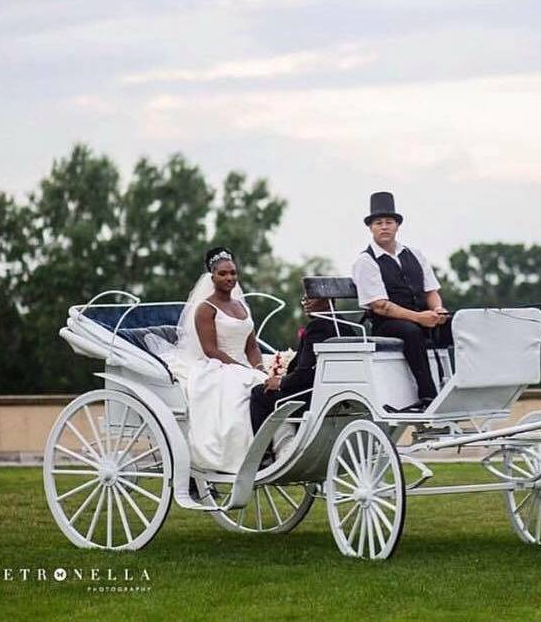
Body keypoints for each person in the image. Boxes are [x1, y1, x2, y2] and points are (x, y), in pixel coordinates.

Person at [171, 247, 268, 473]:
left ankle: (270, 444)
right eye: (223, 274)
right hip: (218, 365)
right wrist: (241, 368)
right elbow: (210, 349)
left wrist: (259, 367)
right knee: (239, 401)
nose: (229, 278)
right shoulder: (206, 309)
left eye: (233, 273)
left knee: (265, 383)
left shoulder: (241, 306)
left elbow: (252, 345)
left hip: (243, 364)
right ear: (212, 276)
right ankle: (244, 453)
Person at [351, 191, 449, 409]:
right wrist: (419, 318)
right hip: (387, 324)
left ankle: (456, 385)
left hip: (420, 316)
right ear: (371, 228)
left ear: (397, 226)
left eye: (389, 222)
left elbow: (431, 291)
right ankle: (428, 395)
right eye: (378, 223)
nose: (384, 226)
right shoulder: (366, 261)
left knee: (455, 324)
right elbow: (381, 306)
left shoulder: (414, 254)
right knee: (411, 331)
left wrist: (439, 310)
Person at [248, 292, 338, 461]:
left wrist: (281, 382)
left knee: (259, 393)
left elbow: (305, 373)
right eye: (304, 298)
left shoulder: (317, 327)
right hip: (328, 393)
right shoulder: (345, 327)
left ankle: (263, 456)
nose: (305, 303)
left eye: (310, 298)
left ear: (328, 299)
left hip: (310, 397)